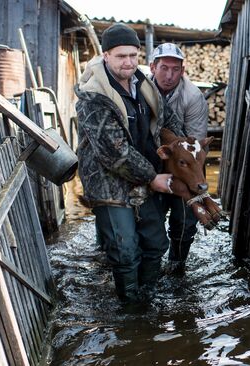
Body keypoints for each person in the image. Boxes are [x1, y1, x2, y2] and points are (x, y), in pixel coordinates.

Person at [75, 23, 172, 302]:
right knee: (125, 250)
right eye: (120, 56)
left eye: (133, 55)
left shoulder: (142, 85)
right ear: (106, 56)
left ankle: (148, 297)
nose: (128, 62)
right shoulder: (93, 96)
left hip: (144, 174)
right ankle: (130, 309)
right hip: (109, 181)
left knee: (156, 243)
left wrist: (184, 145)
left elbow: (164, 119)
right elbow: (114, 152)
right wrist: (153, 178)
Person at [150, 43, 209, 274]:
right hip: (151, 163)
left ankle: (177, 266)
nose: (169, 75)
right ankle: (150, 268)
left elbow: (195, 148)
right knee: (147, 218)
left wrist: (186, 186)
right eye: (164, 68)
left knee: (185, 219)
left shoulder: (193, 97)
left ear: (182, 71)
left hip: (182, 167)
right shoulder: (139, 90)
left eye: (175, 69)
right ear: (152, 67)